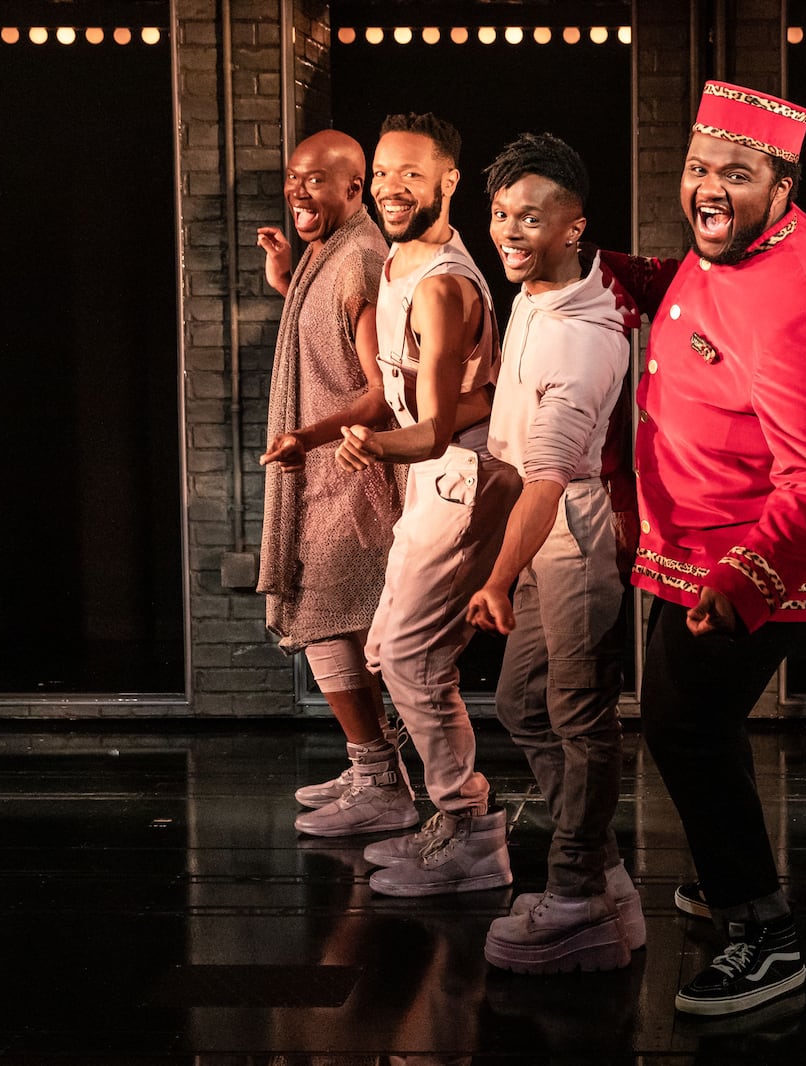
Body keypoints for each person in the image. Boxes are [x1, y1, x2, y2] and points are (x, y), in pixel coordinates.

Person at [604, 81, 806, 1016]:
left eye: (735, 172)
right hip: (694, 531)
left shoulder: (797, 303)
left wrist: (742, 578)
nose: (707, 189)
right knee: (687, 728)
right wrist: (640, 279)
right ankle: (726, 879)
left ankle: (764, 933)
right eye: (697, 169)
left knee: (686, 728)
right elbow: (709, 310)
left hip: (750, 550)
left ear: (784, 184)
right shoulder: (731, 250)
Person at [461, 133, 641, 973]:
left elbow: (548, 482)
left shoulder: (584, 336)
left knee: (578, 717)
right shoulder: (536, 295)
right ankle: (603, 873)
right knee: (523, 707)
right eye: (501, 214)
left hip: (574, 546)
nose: (510, 231)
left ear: (575, 227)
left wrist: (495, 578)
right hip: (541, 539)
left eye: (531, 217)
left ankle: (577, 893)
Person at [333, 113, 522, 896]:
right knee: (391, 651)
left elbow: (440, 424)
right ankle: (449, 813)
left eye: (410, 174)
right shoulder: (399, 259)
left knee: (408, 657)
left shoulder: (442, 284)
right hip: (432, 475)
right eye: (382, 172)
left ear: (448, 180)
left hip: (457, 475)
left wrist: (371, 444)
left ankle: (470, 829)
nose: (389, 187)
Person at [253, 130, 411, 838]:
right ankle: (371, 763)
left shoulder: (362, 259)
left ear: (355, 189)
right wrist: (289, 279)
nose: (298, 191)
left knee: (331, 617)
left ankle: (380, 775)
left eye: (316, 180)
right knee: (330, 619)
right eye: (293, 178)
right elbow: (327, 337)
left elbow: (379, 393)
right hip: (320, 474)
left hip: (349, 475)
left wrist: (308, 437)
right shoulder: (327, 255)